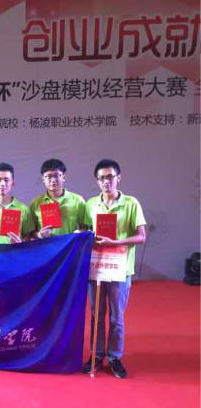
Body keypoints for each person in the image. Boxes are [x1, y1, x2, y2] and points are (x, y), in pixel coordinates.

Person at [82, 159, 146, 379]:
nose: (106, 181)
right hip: (97, 268)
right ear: (96, 181)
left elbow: (141, 236)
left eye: (110, 177)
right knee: (96, 316)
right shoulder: (91, 204)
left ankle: (115, 357)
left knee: (116, 318)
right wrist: (86, 237)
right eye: (101, 178)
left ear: (119, 177)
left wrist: (115, 242)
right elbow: (84, 231)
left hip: (120, 269)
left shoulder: (131, 203)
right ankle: (97, 355)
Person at [29, 158, 87, 239]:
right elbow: (30, 232)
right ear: (43, 179)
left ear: (63, 177)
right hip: (46, 247)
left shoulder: (78, 200)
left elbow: (85, 227)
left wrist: (80, 233)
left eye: (56, 175)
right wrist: (40, 235)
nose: (53, 180)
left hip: (70, 245)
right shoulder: (35, 204)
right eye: (49, 176)